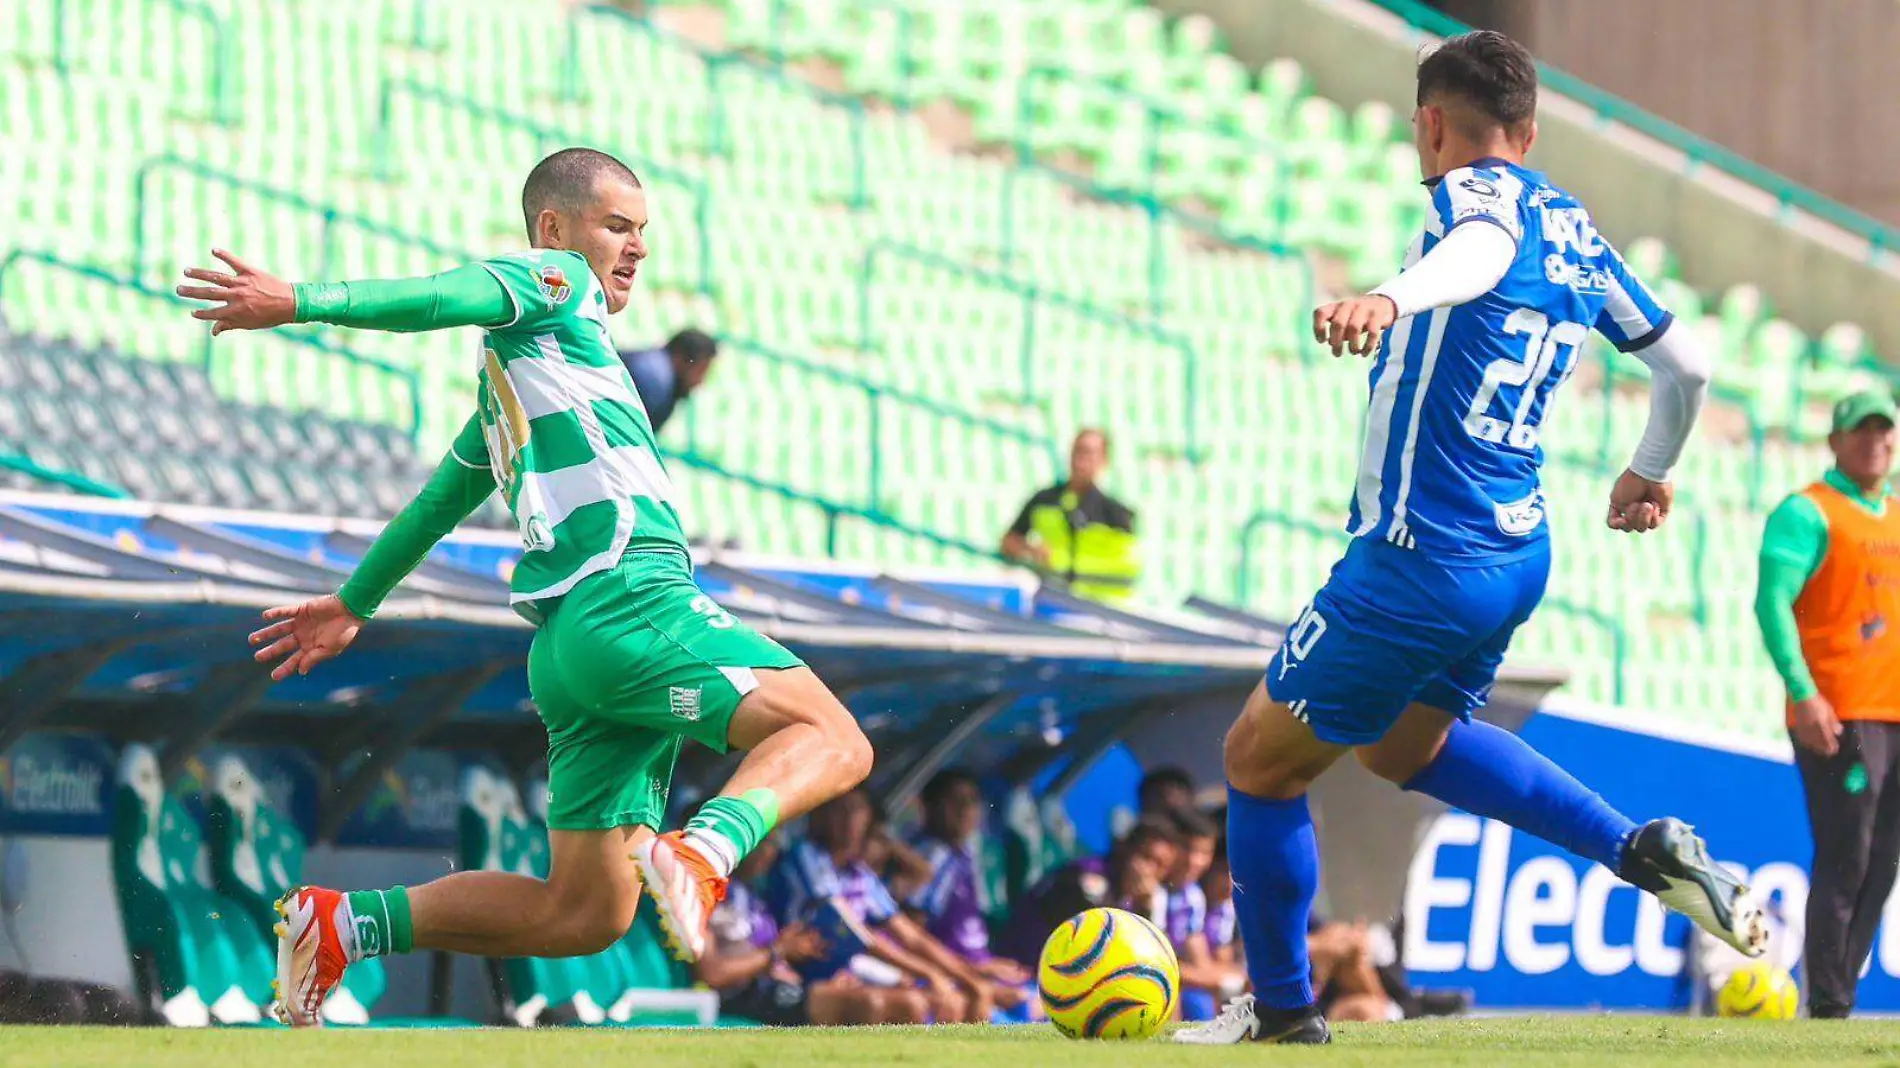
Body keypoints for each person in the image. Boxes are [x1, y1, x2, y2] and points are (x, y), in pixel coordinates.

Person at [176, 147, 875, 1027]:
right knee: (835, 736)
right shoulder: (559, 280)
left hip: (569, 648)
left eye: (642, 232)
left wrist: (355, 602)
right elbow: (449, 291)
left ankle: (344, 922)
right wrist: (303, 303)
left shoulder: (522, 388)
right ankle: (703, 852)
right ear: (556, 230)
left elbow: (438, 501)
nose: (636, 249)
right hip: (631, 597)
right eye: (617, 226)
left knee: (582, 914)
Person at [1173, 32, 1759, 1047]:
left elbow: (1478, 252)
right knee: (1410, 747)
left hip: (1416, 555)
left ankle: (1278, 1013)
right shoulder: (1573, 230)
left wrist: (1386, 296)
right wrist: (1649, 471)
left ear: (1431, 124)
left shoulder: (1472, 204)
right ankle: (1642, 850)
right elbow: (1689, 367)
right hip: (1513, 556)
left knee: (1258, 763)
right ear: (1528, 130)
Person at [1754, 388, 1900, 1019]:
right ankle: (1829, 1004)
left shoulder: (1894, 515)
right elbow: (1772, 603)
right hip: (1839, 713)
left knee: (1884, 860)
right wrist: (1803, 691)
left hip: (1894, 711)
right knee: (1847, 854)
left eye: (1886, 432)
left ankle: (1840, 993)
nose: (1877, 441)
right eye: (1863, 431)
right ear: (1836, 442)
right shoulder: (1807, 512)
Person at [765, 789, 1020, 1023]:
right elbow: (860, 935)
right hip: (806, 972)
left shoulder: (860, 874)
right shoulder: (806, 856)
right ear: (818, 814)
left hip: (856, 968)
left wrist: (969, 979)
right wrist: (933, 974)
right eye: (838, 809)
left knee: (965, 996)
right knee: (913, 1003)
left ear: (867, 817)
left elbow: (911, 935)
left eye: (856, 809)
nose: (848, 818)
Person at [698, 835, 922, 1026]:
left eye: (774, 843)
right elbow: (714, 973)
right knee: (868, 1002)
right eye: (765, 842)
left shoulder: (754, 896)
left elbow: (773, 959)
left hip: (779, 985)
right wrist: (777, 951)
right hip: (743, 996)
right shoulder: (708, 898)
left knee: (908, 1002)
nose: (771, 851)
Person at [998, 818, 1178, 968]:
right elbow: (1094, 944)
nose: (1148, 871)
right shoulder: (1088, 876)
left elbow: (1154, 960)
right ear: (1125, 850)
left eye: (1160, 865)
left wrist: (1146, 909)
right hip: (1023, 967)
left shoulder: (1139, 896)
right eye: (1146, 857)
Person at [908, 770, 1031, 987]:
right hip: (953, 976)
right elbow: (914, 934)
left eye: (973, 801)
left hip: (975, 967)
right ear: (931, 806)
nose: (965, 810)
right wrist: (974, 969)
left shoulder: (963, 854)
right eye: (955, 801)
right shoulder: (933, 856)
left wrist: (989, 964)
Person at [1000, 428, 1140, 602]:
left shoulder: (1116, 513)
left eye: (1088, 453)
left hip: (1096, 606)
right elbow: (1009, 541)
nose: (1080, 459)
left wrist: (1058, 560)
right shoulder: (1044, 500)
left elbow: (1125, 568)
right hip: (1049, 598)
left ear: (1103, 460)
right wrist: (1030, 550)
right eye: (1077, 451)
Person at [1163, 810, 1246, 1019]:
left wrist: (1229, 981)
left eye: (1203, 852)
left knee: (1201, 999)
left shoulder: (1192, 896)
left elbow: (1202, 960)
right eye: (1187, 848)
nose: (1194, 860)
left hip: (1179, 979)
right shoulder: (1153, 890)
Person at [620, 327, 718, 435]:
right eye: (700, 371)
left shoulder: (652, 363)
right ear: (681, 358)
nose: (699, 382)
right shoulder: (656, 383)